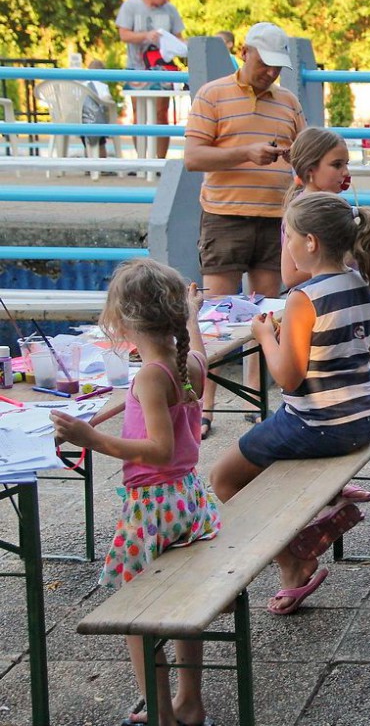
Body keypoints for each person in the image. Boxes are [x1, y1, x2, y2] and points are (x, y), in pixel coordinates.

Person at [49, 259, 220, 726]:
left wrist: (92, 440)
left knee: (135, 617)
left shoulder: (150, 376)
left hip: (153, 509)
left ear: (121, 322)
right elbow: (192, 354)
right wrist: (192, 313)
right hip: (188, 499)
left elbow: (159, 450)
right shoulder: (189, 361)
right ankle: (189, 703)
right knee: (182, 606)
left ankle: (161, 714)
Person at [209, 193, 370, 615]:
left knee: (224, 478)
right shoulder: (361, 281)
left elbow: (287, 378)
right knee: (266, 447)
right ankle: (307, 518)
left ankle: (292, 559)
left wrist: (264, 337)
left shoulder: (303, 298)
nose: (285, 246)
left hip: (318, 424)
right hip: (363, 420)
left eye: (288, 236)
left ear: (310, 242)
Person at [184, 21, 307, 439]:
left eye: (276, 67)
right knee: (216, 314)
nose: (270, 73)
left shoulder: (288, 102)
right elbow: (193, 157)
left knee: (265, 310)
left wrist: (293, 157)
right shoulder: (212, 94)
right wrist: (245, 153)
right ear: (244, 53)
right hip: (224, 214)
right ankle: (206, 405)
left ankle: (256, 399)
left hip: (275, 216)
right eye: (264, 64)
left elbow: (304, 151)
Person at [115, 0, 185, 159]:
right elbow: (124, 34)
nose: (166, 0)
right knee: (139, 114)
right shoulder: (131, 6)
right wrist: (146, 36)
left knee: (162, 114)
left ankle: (160, 161)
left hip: (162, 68)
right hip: (136, 67)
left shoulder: (170, 10)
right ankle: (142, 159)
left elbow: (179, 38)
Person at [281, 127, 352, 289]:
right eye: (337, 165)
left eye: (346, 164)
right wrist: (344, 260)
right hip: (316, 299)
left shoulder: (337, 205)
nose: (346, 172)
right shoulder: (301, 211)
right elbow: (290, 276)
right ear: (310, 170)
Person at [81, 59, 116, 160]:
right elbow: (107, 99)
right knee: (101, 145)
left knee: (87, 144)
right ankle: (102, 163)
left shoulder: (82, 85)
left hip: (81, 121)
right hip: (97, 121)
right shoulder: (103, 86)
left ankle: (88, 163)